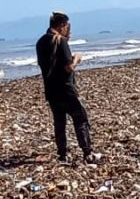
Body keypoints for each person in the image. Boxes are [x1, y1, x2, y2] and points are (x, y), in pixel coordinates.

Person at [35, 11, 97, 164]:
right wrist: (77, 58)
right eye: (67, 26)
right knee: (80, 118)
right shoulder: (60, 41)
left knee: (60, 122)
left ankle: (63, 154)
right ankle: (87, 152)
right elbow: (68, 67)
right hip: (66, 88)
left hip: (50, 89)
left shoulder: (40, 42)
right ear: (62, 26)